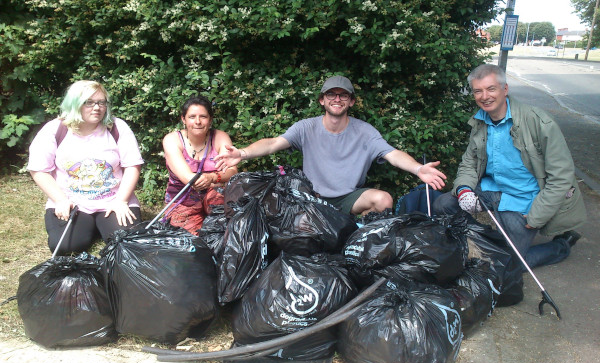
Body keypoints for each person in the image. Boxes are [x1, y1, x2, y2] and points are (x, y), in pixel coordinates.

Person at [214, 75, 446, 215]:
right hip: (312, 197)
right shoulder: (306, 127)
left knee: (383, 200)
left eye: (343, 95)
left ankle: (353, 233)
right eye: (331, 94)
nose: (337, 99)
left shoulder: (365, 131)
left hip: (349, 197)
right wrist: (242, 153)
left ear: (351, 101)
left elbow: (393, 154)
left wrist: (418, 169)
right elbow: (273, 143)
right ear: (322, 100)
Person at [433, 64, 587, 269]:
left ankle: (561, 246)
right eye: (478, 91)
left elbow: (562, 177)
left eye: (491, 89)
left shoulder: (539, 122)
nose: (484, 96)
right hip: (490, 190)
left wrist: (538, 215)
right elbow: (469, 163)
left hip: (522, 201)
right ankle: (487, 244)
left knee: (507, 267)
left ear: (505, 89)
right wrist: (463, 190)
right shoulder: (480, 122)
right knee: (443, 204)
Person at [27, 80, 144, 255]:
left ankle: (101, 224)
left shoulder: (117, 127)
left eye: (101, 102)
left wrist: (122, 200)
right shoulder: (55, 129)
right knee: (66, 247)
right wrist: (60, 200)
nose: (97, 107)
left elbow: (133, 165)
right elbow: (38, 169)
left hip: (113, 201)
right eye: (89, 102)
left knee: (128, 244)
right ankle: (91, 226)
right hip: (72, 202)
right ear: (74, 104)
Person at [162, 95, 238, 234]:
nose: (197, 121)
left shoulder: (220, 137)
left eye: (203, 116)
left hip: (215, 195)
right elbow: (188, 178)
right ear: (183, 119)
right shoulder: (172, 140)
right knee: (190, 242)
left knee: (226, 231)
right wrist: (211, 178)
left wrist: (213, 178)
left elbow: (232, 171)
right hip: (183, 199)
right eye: (192, 117)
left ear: (210, 120)